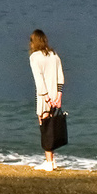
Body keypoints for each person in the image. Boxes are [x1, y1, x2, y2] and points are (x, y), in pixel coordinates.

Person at [29, 29, 67, 170]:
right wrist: (58, 96)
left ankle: (49, 162)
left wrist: (45, 97)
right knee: (51, 127)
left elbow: (39, 79)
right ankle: (52, 160)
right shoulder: (54, 55)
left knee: (45, 127)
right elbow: (60, 77)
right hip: (55, 95)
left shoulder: (34, 57)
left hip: (43, 95)